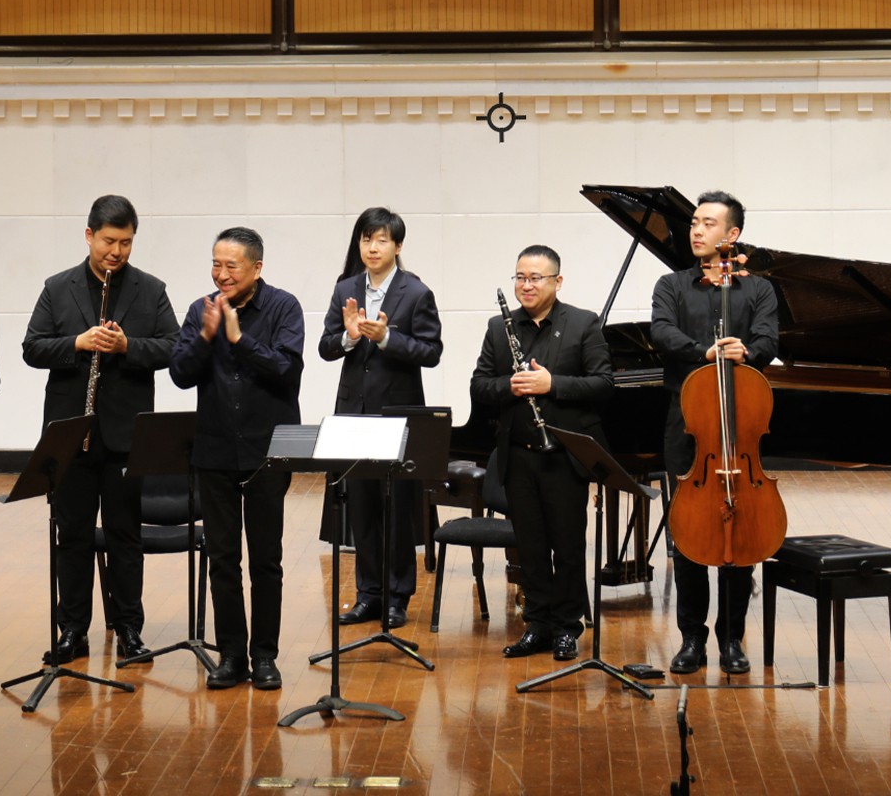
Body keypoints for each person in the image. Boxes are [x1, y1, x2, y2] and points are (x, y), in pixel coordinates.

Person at [22, 195, 181, 664]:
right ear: (89, 235)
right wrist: (78, 342)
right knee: (71, 535)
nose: (117, 251)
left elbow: (173, 347)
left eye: (126, 243)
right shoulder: (58, 287)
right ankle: (72, 631)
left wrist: (127, 345)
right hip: (71, 435)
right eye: (109, 241)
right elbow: (32, 347)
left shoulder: (151, 289)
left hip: (125, 436)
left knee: (124, 535)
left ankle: (129, 628)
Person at [649, 191, 779, 676]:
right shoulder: (672, 284)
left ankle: (732, 638)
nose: (697, 230)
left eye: (708, 223)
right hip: (687, 429)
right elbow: (661, 332)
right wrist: (702, 352)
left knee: (740, 534)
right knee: (689, 535)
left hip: (740, 428)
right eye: (694, 223)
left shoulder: (758, 289)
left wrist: (748, 352)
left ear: (732, 235)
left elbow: (769, 339)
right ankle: (691, 637)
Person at [169, 227, 304, 691]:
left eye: (231, 266)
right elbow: (180, 374)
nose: (221, 274)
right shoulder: (199, 310)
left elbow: (286, 370)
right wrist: (207, 336)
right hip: (215, 451)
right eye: (215, 264)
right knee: (222, 559)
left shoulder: (283, 307)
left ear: (256, 268)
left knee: (266, 559)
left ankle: (264, 655)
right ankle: (231, 656)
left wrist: (239, 338)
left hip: (269, 451)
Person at [470, 245, 613, 663]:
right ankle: (538, 624)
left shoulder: (583, 323)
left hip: (565, 455)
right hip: (519, 455)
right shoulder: (499, 327)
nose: (526, 285)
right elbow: (479, 385)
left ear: (557, 281)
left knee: (567, 547)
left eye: (535, 278)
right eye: (520, 277)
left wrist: (554, 385)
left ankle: (567, 626)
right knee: (530, 547)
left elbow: (604, 384)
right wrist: (508, 386)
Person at [318, 207, 443, 629]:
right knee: (362, 507)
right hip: (353, 413)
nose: (373, 247)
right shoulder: (345, 288)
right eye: (366, 239)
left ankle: (397, 596)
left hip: (396, 414)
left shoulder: (416, 292)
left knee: (396, 506)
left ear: (397, 246)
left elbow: (431, 351)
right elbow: (325, 347)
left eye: (382, 240)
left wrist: (388, 338)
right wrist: (349, 337)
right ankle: (368, 594)